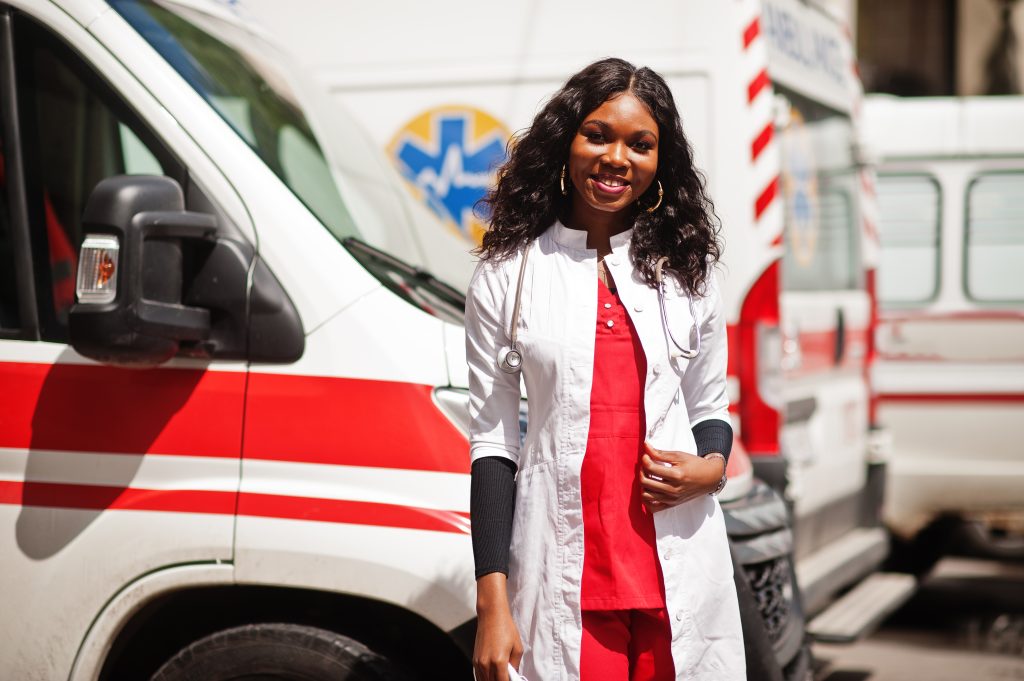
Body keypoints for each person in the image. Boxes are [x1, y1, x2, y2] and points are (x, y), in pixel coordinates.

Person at [466, 58, 745, 681]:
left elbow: (709, 406)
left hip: (676, 574)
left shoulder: (686, 273)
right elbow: (493, 442)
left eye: (640, 144)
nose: (617, 157)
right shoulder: (509, 273)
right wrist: (492, 603)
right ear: (565, 143)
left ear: (659, 162)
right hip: (566, 576)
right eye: (598, 135)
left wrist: (711, 470)